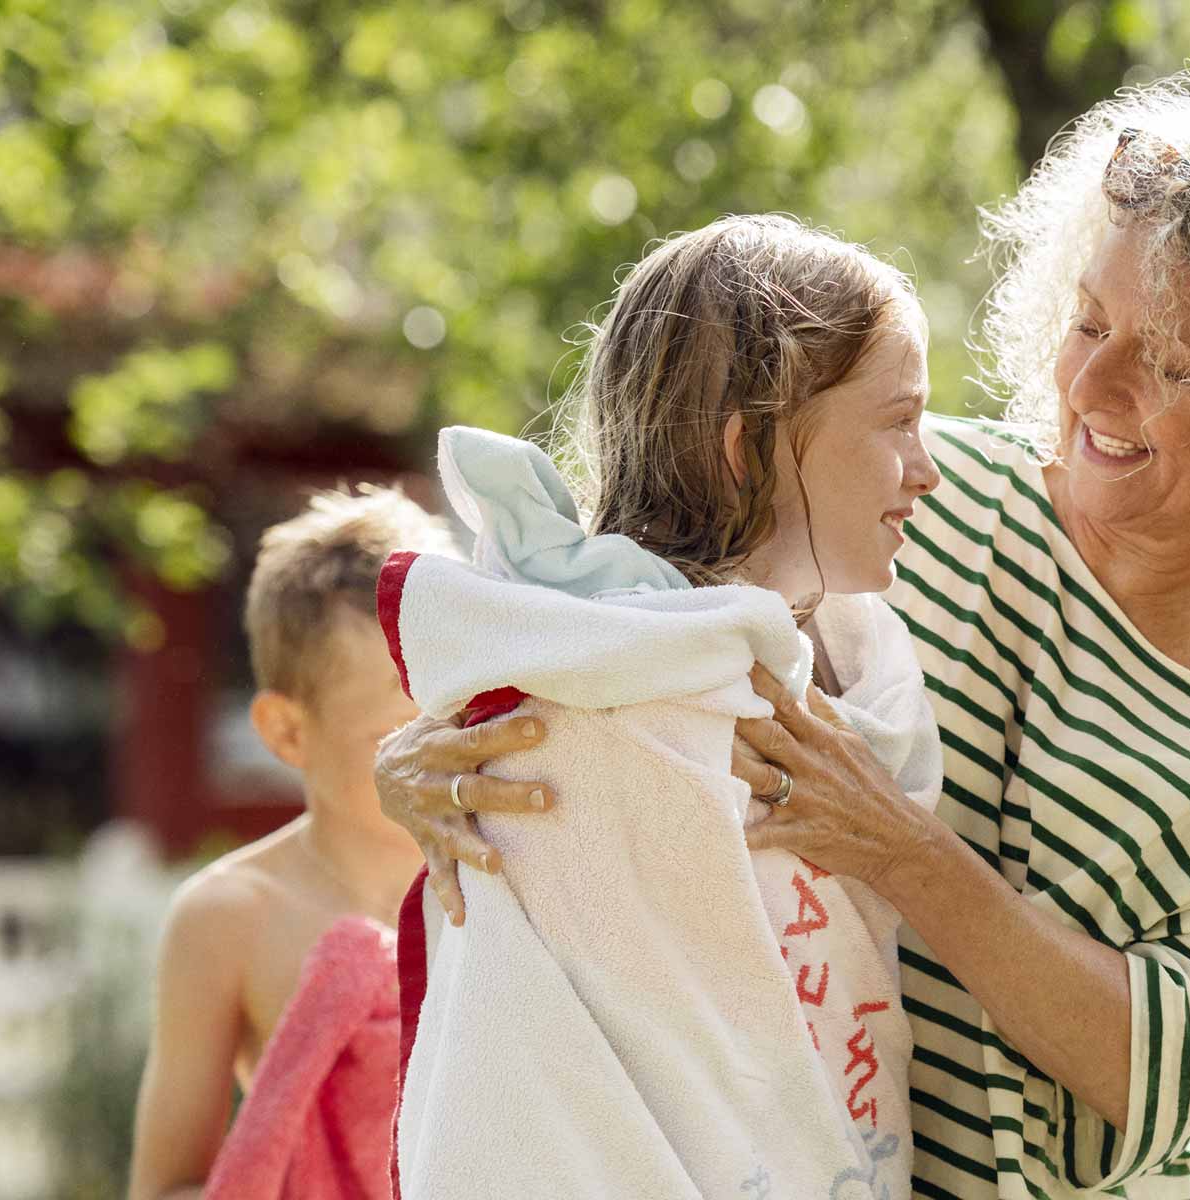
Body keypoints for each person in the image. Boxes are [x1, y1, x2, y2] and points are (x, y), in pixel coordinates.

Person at [377, 69, 1190, 1198]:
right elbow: (626, 608)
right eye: (1087, 323)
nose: (1091, 385)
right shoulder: (913, 490)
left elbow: (1165, 1079)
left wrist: (903, 850)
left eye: (1169, 363)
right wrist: (440, 744)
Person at [384, 214, 943, 1200]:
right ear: (748, 446)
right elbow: (550, 1072)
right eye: (898, 421)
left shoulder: (855, 668)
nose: (930, 467)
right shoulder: (595, 710)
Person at [127, 486, 457, 1200]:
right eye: (399, 733)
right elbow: (167, 1185)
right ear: (287, 732)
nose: (445, 753)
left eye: (461, 714)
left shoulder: (514, 874)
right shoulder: (231, 918)